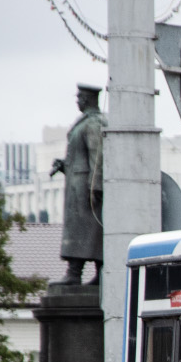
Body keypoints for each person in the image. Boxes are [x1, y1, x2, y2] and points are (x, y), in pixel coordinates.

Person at [51, 84, 106, 285]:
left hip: (87, 190)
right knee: (82, 229)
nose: (77, 100)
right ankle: (88, 273)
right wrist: (65, 165)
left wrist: (96, 185)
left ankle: (76, 273)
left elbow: (97, 156)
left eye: (80, 97)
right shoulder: (84, 122)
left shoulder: (94, 123)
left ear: (88, 99)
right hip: (79, 186)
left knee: (86, 230)